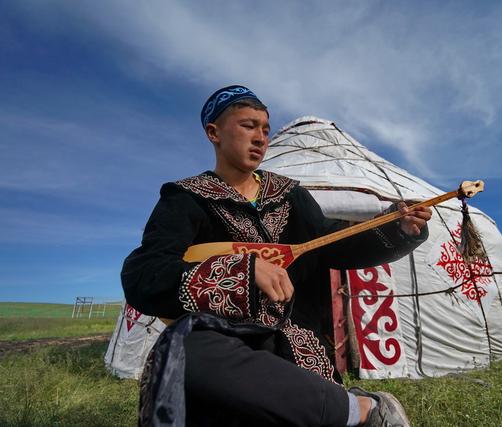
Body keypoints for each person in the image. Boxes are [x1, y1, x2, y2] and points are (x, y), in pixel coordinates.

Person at [121, 85, 432, 427]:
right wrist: (240, 270)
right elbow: (145, 273)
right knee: (184, 350)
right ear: (214, 133)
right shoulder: (185, 199)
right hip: (229, 345)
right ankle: (357, 410)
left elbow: (334, 245)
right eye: (248, 126)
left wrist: (395, 228)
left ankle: (361, 411)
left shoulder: (290, 195)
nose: (260, 138)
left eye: (266, 129)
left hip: (298, 343)